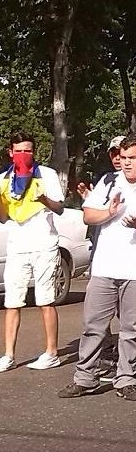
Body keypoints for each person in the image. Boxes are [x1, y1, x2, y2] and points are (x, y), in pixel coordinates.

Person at [57, 135, 136, 401]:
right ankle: (85, 378)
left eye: (132, 158)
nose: (125, 163)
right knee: (93, 325)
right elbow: (89, 215)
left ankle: (126, 379)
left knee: (131, 328)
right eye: (122, 158)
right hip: (105, 266)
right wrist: (109, 212)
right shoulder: (108, 182)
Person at [0, 132, 66, 372]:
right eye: (18, 151)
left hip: (44, 245)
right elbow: (4, 217)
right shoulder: (4, 180)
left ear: (34, 152)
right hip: (17, 247)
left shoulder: (46, 174)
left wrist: (43, 199)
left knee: (45, 300)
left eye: (27, 150)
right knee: (12, 302)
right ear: (10, 153)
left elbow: (59, 208)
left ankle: (52, 352)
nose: (23, 155)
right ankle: (8, 355)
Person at [77, 134, 125, 382]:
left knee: (124, 312)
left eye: (124, 153)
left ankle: (123, 363)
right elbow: (91, 215)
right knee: (97, 312)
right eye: (115, 154)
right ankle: (104, 356)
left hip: (130, 259)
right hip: (103, 254)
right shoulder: (105, 181)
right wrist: (90, 200)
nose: (119, 158)